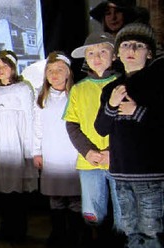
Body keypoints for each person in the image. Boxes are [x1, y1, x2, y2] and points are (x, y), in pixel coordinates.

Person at [95, 23, 163, 248]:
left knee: (152, 230)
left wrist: (138, 112)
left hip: (151, 175)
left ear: (149, 52)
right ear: (118, 53)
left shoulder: (157, 83)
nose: (131, 50)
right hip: (122, 173)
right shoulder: (111, 89)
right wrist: (112, 105)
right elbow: (101, 128)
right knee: (128, 229)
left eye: (139, 46)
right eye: (125, 45)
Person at [65, 31, 123, 245]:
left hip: (120, 161)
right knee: (93, 215)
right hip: (89, 162)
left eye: (102, 52)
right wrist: (88, 151)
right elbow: (72, 125)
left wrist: (113, 152)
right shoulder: (79, 89)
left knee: (123, 213)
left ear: (114, 55)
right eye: (91, 53)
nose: (96, 57)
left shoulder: (123, 83)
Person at [0, 50, 36, 242]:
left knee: (16, 189)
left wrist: (30, 147)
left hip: (16, 142)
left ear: (13, 68)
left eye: (5, 65)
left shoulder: (23, 88)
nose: (1, 69)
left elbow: (30, 117)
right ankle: (5, 227)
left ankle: (19, 229)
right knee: (3, 190)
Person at [31, 52, 81, 246]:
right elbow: (37, 126)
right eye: (50, 70)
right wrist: (36, 151)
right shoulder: (42, 97)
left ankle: (75, 234)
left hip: (73, 152)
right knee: (56, 195)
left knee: (75, 195)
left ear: (68, 73)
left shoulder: (76, 94)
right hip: (51, 152)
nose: (54, 74)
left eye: (59, 70)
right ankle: (58, 232)